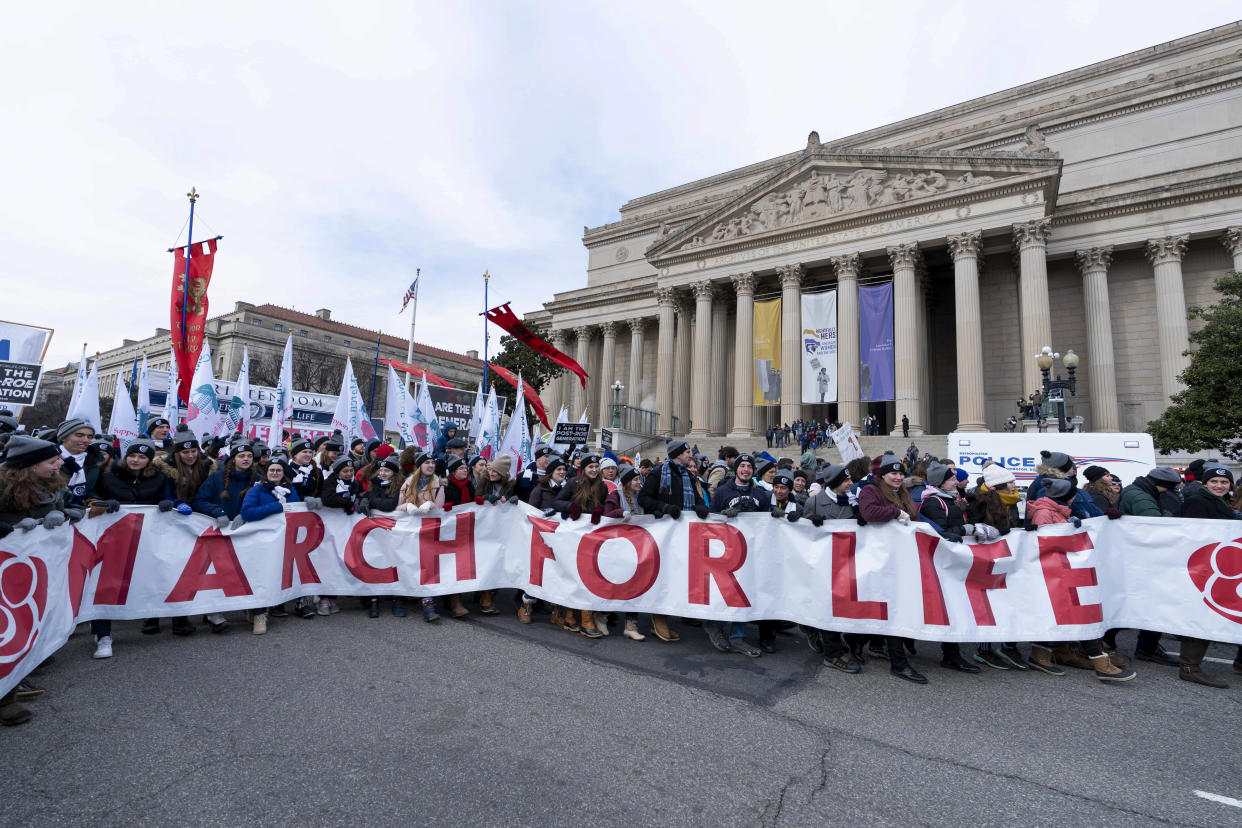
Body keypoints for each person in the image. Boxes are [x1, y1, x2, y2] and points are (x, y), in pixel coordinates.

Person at [1026, 477, 1137, 682]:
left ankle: (1039, 655)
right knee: (1081, 614)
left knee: (1064, 615)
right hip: (1056, 573)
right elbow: (1043, 545)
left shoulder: (1059, 510)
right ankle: (1100, 663)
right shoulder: (1044, 512)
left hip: (1067, 571)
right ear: (1066, 497)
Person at [856, 454, 927, 683]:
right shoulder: (871, 490)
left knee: (892, 608)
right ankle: (899, 663)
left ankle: (856, 641)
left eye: (900, 473)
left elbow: (915, 518)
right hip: (880, 559)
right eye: (893, 473)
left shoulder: (902, 492)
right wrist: (895, 513)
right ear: (882, 475)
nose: (897, 477)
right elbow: (868, 512)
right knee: (893, 609)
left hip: (900, 559)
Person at [1164, 463, 1234, 688]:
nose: (1219, 485)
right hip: (1203, 568)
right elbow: (1195, 536)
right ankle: (1189, 667)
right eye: (1214, 481)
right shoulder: (1198, 501)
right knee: (1202, 616)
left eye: (1224, 482)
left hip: (1218, 567)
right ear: (1205, 483)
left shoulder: (1220, 501)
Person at [916, 462, 985, 673]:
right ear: (940, 482)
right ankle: (951, 654)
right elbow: (941, 534)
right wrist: (967, 528)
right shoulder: (934, 503)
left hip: (953, 560)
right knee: (949, 606)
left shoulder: (948, 499)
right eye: (951, 478)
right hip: (942, 561)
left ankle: (952, 653)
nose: (956, 482)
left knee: (953, 606)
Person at [1117, 466, 1185, 665]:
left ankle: (1110, 638)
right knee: (1156, 601)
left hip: (1135, 554)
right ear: (1160, 485)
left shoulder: (1136, 490)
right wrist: (1170, 518)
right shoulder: (1142, 498)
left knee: (1133, 601)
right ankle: (1147, 647)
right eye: (1169, 490)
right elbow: (1155, 526)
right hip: (1145, 557)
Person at [705, 454, 769, 657]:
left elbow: (767, 523)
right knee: (726, 591)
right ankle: (715, 624)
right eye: (742, 466)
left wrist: (777, 516)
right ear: (736, 469)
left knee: (745, 593)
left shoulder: (761, 495)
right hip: (727, 551)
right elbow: (711, 520)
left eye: (749, 466)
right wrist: (724, 514)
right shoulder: (722, 491)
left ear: (753, 470)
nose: (746, 470)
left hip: (751, 552)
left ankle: (737, 637)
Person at [554, 454, 610, 638]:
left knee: (588, 575)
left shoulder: (602, 486)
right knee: (574, 574)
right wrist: (572, 507)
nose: (594, 470)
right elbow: (557, 502)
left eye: (596, 466)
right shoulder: (573, 483)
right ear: (584, 469)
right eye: (590, 467)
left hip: (591, 536)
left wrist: (599, 510)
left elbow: (604, 505)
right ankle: (572, 615)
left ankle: (584, 616)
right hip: (573, 535)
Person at [193, 442, 258, 527]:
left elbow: (264, 504)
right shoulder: (216, 477)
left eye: (249, 456)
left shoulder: (258, 480)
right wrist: (218, 512)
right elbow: (199, 502)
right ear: (233, 459)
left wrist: (246, 514)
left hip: (246, 534)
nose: (246, 459)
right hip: (219, 531)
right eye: (241, 456)